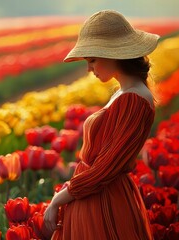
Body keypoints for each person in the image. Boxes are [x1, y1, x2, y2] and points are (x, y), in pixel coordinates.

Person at [42, 10, 159, 240]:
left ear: (112, 53)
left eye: (92, 60)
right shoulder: (124, 93)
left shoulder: (134, 99)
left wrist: (61, 197)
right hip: (93, 196)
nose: (89, 68)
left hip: (104, 203)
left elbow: (107, 167)